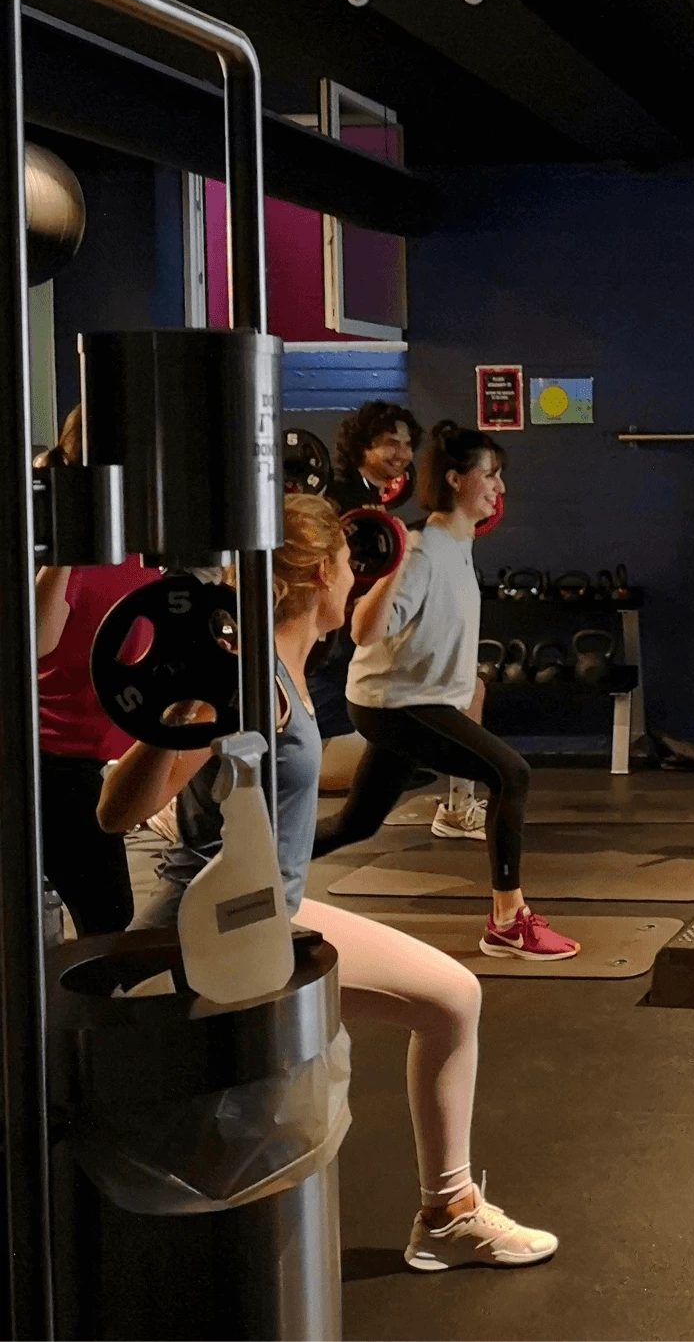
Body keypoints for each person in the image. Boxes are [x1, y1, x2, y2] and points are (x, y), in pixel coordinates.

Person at [98, 492, 558, 1270]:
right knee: (217, 1132)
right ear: (318, 574)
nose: (357, 580)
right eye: (349, 566)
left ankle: (447, 1212)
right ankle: (438, 1215)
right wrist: (181, 704)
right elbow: (120, 809)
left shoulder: (286, 672)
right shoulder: (244, 680)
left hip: (267, 913)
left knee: (451, 999)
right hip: (209, 929)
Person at [314, 421, 579, 960]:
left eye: (500, 476)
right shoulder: (424, 549)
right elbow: (364, 631)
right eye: (491, 475)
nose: (499, 487)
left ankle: (256, 868)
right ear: (456, 480)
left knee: (357, 823)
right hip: (397, 705)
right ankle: (508, 920)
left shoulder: (456, 544)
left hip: (408, 700)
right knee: (512, 773)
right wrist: (395, 567)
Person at [32, 407, 162, 933]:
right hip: (58, 763)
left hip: (113, 757)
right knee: (110, 917)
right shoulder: (66, 554)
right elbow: (39, 641)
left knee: (109, 916)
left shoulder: (136, 541)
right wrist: (67, 535)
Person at [311, 401, 433, 807]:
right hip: (329, 639)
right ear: (362, 448)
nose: (402, 453)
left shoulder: (377, 502)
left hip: (352, 635)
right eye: (390, 444)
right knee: (317, 747)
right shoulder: (340, 500)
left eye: (407, 444)